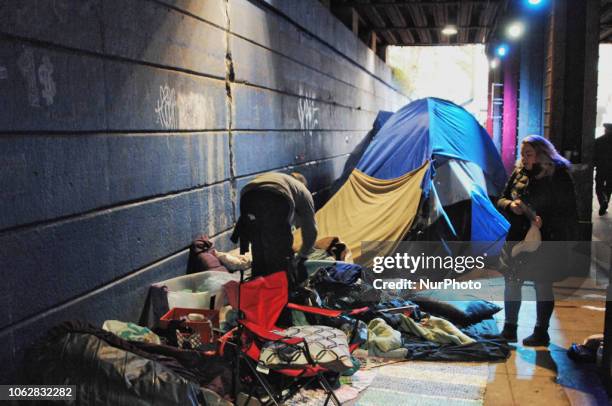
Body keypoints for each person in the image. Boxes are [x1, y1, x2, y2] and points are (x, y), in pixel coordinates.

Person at [497, 135, 578, 346]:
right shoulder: (519, 172)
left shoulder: (558, 175)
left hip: (545, 239)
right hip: (517, 237)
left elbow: (568, 210)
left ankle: (541, 332)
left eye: (529, 154)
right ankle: (509, 328)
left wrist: (544, 221)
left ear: (542, 154)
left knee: (542, 284)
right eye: (522, 154)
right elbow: (502, 197)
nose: (524, 158)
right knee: (512, 281)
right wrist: (509, 206)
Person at [231, 172, 317, 287]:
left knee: (258, 248)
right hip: (275, 196)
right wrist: (302, 255)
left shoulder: (281, 179)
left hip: (247, 196)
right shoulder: (304, 192)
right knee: (280, 253)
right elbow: (311, 230)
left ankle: (259, 287)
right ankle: (283, 291)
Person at [595, 124, 612, 216]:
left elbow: (593, 154)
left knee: (599, 186)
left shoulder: (598, 141)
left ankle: (603, 201)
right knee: (609, 187)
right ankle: (605, 201)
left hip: (601, 168)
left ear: (606, 130)